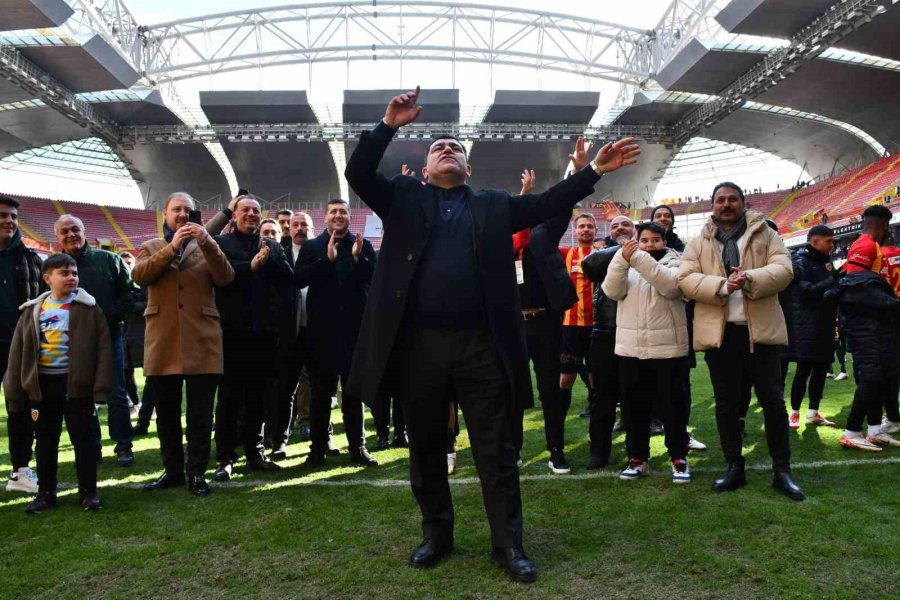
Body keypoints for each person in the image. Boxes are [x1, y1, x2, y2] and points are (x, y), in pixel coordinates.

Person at [344, 85, 639, 582]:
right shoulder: (402, 197)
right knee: (427, 448)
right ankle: (436, 535)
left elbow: (547, 204)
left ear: (468, 168)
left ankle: (508, 544)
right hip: (420, 346)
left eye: (456, 148)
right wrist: (387, 125)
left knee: (495, 449)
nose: (447, 149)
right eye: (438, 146)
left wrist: (592, 173)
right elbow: (358, 174)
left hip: (483, 346)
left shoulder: (493, 205)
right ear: (427, 162)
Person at [678, 182, 804, 501]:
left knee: (773, 402)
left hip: (759, 333)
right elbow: (686, 280)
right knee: (726, 404)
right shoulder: (698, 241)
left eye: (732, 199)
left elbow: (785, 269)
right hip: (722, 337)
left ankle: (782, 470)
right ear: (713, 205)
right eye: (720, 200)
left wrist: (749, 279)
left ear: (743, 203)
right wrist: (723, 286)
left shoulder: (766, 234)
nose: (726, 204)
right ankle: (734, 466)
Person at [133, 192, 235, 496]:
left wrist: (206, 241)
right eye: (176, 209)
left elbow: (226, 277)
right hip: (163, 342)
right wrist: (173, 247)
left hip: (202, 340)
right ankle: (173, 471)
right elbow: (140, 276)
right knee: (166, 414)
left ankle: (197, 473)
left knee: (201, 415)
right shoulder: (152, 246)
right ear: (164, 214)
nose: (181, 214)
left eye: (187, 210)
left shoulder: (207, 246)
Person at [3, 253, 113, 512]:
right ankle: (46, 492)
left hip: (76, 387)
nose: (72, 277)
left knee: (83, 440)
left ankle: (89, 492)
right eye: (64, 273)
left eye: (74, 273)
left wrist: (100, 387)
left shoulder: (90, 308)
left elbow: (104, 349)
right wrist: (15, 389)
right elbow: (17, 354)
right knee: (45, 440)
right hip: (42, 387)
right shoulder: (32, 311)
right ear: (47, 278)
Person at [212, 197, 294, 480]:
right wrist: (252, 266)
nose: (251, 214)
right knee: (230, 397)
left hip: (264, 334)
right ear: (233, 216)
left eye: (256, 211)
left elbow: (288, 279)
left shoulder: (271, 246)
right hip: (231, 333)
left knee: (258, 396)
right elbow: (223, 276)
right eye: (245, 210)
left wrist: (268, 261)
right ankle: (225, 457)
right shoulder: (221, 245)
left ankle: (254, 452)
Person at [602, 222, 690, 483]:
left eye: (655, 240)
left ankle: (679, 458)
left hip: (668, 350)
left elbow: (671, 287)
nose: (650, 245)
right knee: (633, 408)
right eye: (644, 241)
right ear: (636, 242)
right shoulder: (626, 260)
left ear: (665, 242)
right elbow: (612, 291)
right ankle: (638, 458)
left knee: (672, 408)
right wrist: (621, 258)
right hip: (631, 349)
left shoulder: (678, 262)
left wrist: (634, 255)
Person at [295, 199, 378, 468]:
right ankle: (317, 450)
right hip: (322, 335)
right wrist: (325, 261)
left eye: (343, 212)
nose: (339, 215)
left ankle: (358, 447)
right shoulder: (312, 246)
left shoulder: (362, 244)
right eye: (334, 212)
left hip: (355, 333)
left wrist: (358, 259)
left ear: (349, 217)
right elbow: (299, 279)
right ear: (326, 218)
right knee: (321, 395)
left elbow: (375, 277)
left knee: (353, 394)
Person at [510, 164, 579, 474]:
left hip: (546, 323)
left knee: (551, 389)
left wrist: (576, 172)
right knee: (511, 389)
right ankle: (512, 450)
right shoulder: (497, 240)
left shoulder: (543, 234)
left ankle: (556, 449)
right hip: (511, 325)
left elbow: (562, 204)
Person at [54, 214, 137, 467]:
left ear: (84, 230)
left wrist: (109, 316)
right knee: (82, 397)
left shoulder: (109, 260)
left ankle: (123, 445)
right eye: (65, 231)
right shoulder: (54, 267)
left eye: (75, 229)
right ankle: (92, 446)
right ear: (58, 237)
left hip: (109, 338)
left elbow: (130, 293)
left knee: (116, 394)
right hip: (72, 344)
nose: (71, 235)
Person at [828, 205, 900, 450]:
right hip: (865, 326)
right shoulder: (866, 245)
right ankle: (851, 431)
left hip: (877, 323)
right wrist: (891, 304)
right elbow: (855, 289)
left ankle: (874, 430)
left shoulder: (873, 246)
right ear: (883, 226)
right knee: (870, 377)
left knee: (883, 377)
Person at [582, 215, 634, 468]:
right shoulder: (603, 254)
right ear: (609, 234)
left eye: (626, 225)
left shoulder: (645, 253)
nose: (620, 228)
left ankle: (636, 450)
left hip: (636, 332)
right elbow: (588, 265)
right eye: (615, 226)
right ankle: (599, 450)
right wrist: (627, 249)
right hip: (604, 333)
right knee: (602, 397)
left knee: (634, 395)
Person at [1, 195, 43, 494]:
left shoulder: (30, 259)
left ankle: (21, 470)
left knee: (20, 410)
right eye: (3, 215)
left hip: (18, 348)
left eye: (13, 216)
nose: (9, 221)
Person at [267, 211, 314, 457]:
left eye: (303, 225)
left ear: (311, 227)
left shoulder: (320, 251)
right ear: (289, 229)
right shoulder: (280, 255)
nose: (299, 228)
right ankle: (279, 441)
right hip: (289, 333)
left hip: (317, 332)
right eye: (295, 225)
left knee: (320, 389)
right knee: (285, 389)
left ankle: (322, 438)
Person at [787, 225, 839, 429]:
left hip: (825, 324)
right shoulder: (799, 262)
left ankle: (813, 412)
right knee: (804, 370)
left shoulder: (826, 261)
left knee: (820, 370)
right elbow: (806, 292)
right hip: (806, 326)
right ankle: (794, 412)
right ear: (815, 241)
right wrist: (831, 281)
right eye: (829, 241)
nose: (832, 245)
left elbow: (829, 286)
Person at [558, 213, 596, 423]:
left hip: (596, 326)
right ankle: (559, 422)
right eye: (581, 226)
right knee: (566, 377)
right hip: (569, 326)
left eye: (590, 226)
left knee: (595, 375)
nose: (586, 230)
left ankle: (595, 419)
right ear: (575, 231)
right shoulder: (565, 254)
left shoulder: (604, 254)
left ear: (596, 231)